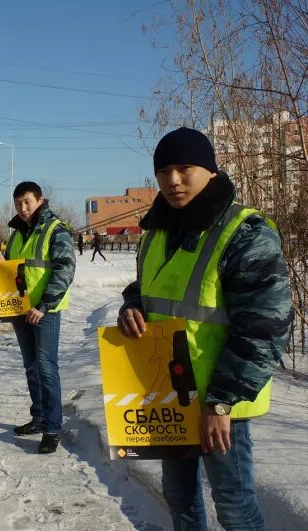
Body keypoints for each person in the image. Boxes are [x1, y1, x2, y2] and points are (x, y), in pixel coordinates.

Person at [117, 127, 293, 530]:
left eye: (184, 168)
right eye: (163, 172)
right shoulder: (157, 230)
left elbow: (265, 326)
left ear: (210, 171)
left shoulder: (245, 232)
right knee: (179, 498)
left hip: (220, 400)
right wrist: (131, 307)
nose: (173, 181)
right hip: (170, 396)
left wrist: (221, 402)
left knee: (234, 507)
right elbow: (145, 289)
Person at [0, 182, 75, 454]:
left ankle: (52, 428)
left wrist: (45, 304)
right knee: (31, 366)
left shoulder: (55, 229)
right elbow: (15, 266)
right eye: (18, 204)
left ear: (40, 200)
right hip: (20, 309)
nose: (22, 208)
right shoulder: (17, 234)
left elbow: (65, 269)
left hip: (44, 311)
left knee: (46, 368)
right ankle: (38, 417)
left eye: (27, 202)